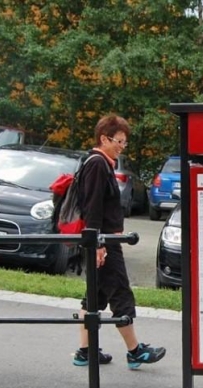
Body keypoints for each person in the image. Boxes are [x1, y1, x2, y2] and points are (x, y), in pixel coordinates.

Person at [72, 114, 166, 369]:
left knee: (94, 298)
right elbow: (92, 206)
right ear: (104, 138)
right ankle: (135, 351)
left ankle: (85, 351)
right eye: (119, 141)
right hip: (104, 242)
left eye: (125, 142)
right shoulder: (98, 164)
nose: (122, 146)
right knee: (121, 294)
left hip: (103, 240)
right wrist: (99, 244)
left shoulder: (100, 163)